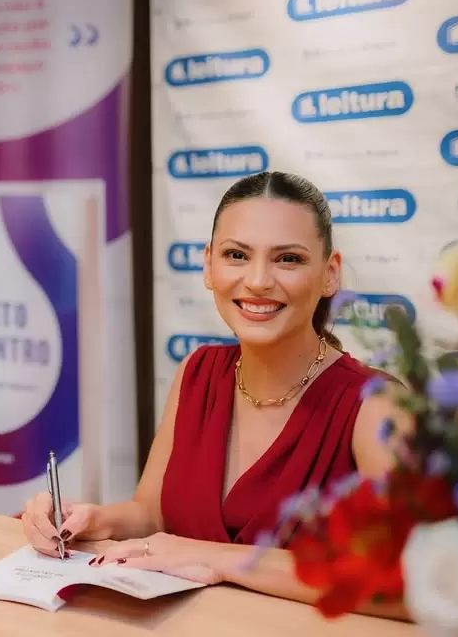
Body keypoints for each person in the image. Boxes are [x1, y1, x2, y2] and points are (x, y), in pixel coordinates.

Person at [21, 171, 409, 618]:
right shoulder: (198, 372)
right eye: (236, 255)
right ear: (209, 266)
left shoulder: (375, 407)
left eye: (288, 259)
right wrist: (88, 520)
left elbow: (419, 586)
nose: (258, 280)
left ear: (330, 274)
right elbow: (152, 514)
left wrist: (218, 560)